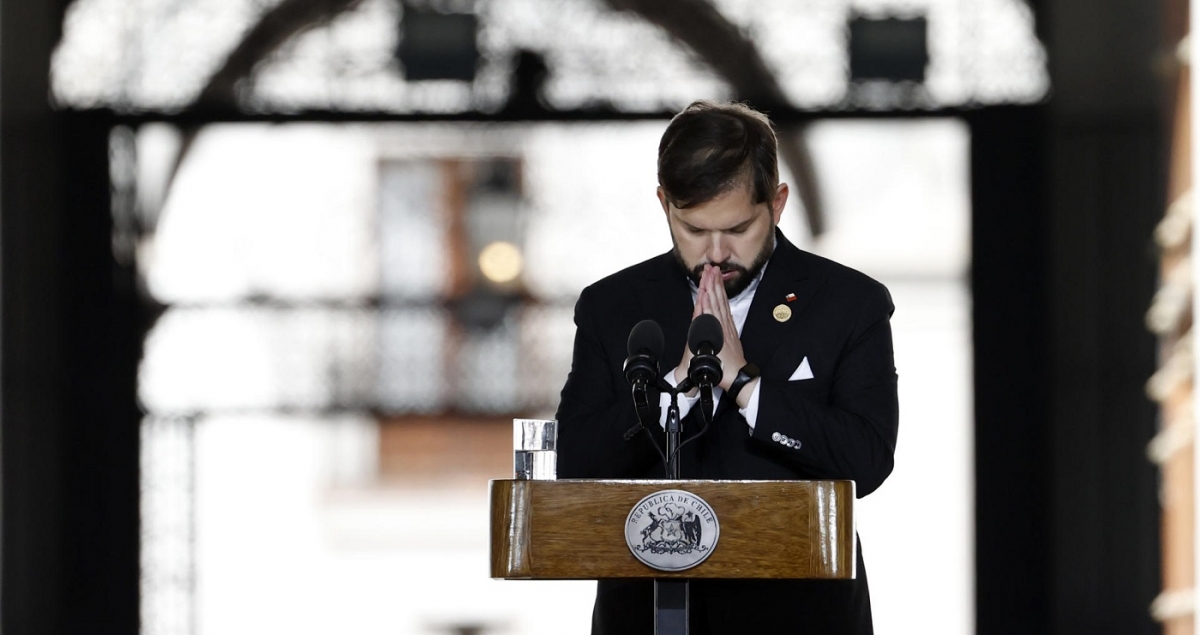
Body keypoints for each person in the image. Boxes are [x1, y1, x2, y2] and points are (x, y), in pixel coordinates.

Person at [554, 100, 899, 635]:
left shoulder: (850, 303)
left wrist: (744, 384)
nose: (715, 253)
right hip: (645, 616)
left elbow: (868, 461)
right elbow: (574, 465)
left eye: (738, 228)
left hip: (801, 617)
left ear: (777, 204)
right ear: (664, 203)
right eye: (693, 229)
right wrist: (677, 389)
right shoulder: (611, 306)